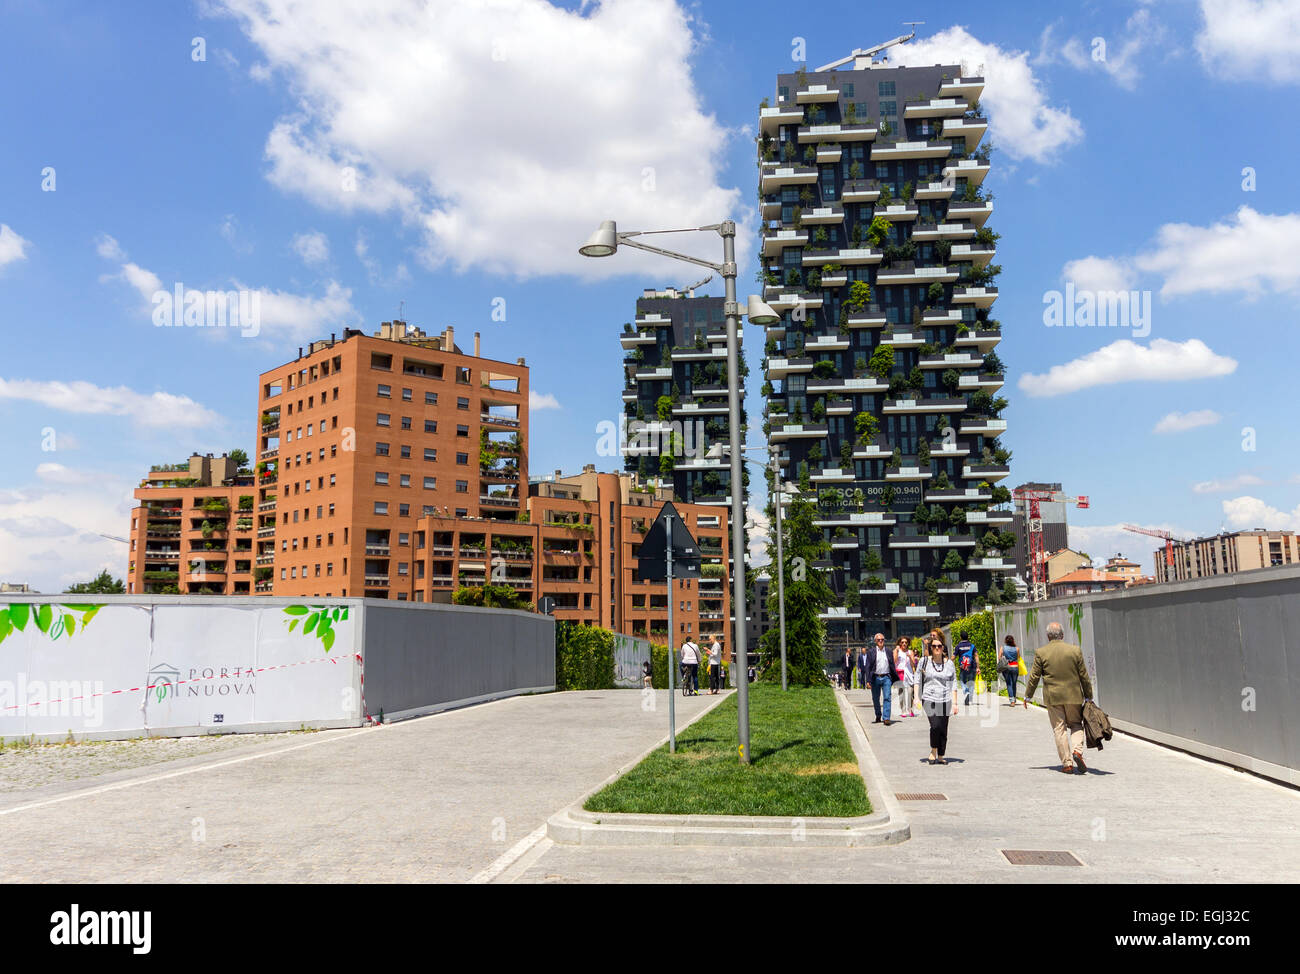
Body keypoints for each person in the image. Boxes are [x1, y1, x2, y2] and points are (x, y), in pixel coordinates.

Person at [1024, 622, 1094, 774]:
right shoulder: (1074, 650)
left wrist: (1028, 696)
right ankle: (1077, 751)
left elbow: (1034, 676)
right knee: (1076, 724)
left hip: (1053, 697)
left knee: (1059, 728)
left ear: (1048, 636)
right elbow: (1084, 675)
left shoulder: (1041, 652)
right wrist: (1089, 696)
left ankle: (1067, 764)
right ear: (1062, 635)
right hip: (1074, 695)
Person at [917, 634, 959, 764]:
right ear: (930, 648)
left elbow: (954, 683)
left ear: (943, 648)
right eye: (934, 646)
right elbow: (917, 678)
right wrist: (915, 698)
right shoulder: (924, 661)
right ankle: (933, 750)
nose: (936, 648)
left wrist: (955, 703)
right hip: (929, 697)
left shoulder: (949, 664)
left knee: (943, 727)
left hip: (945, 698)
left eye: (939, 646)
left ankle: (941, 755)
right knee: (935, 725)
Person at [862, 632, 898, 724]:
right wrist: (868, 681)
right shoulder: (871, 652)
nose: (881, 641)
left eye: (882, 639)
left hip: (886, 677)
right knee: (875, 698)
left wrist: (894, 678)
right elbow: (868, 667)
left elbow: (892, 665)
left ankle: (886, 718)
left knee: (887, 697)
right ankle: (878, 714)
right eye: (879, 640)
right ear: (875, 641)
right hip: (875, 678)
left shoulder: (889, 651)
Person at [954, 628, 978, 705]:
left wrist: (948, 662)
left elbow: (953, 657)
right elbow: (976, 656)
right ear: (968, 637)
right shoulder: (972, 646)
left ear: (960, 637)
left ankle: (966, 691)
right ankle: (970, 700)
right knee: (971, 682)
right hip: (972, 666)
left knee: (962, 680)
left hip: (963, 666)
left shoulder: (958, 646)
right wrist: (978, 667)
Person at [895, 636, 916, 717]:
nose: (904, 643)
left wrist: (910, 657)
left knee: (910, 692)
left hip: (909, 674)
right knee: (901, 692)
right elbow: (894, 661)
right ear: (900, 643)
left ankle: (910, 709)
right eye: (902, 642)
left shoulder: (910, 652)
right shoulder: (897, 651)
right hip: (900, 673)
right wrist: (896, 651)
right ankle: (903, 710)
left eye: (906, 642)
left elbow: (913, 664)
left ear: (908, 643)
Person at [998, 635, 1021, 705]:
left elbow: (999, 657)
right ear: (1013, 641)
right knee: (1014, 683)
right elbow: (1018, 657)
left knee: (1009, 683)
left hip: (1007, 667)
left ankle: (1012, 700)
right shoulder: (1017, 649)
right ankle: (1014, 697)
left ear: (1005, 641)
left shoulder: (1002, 648)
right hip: (1015, 667)